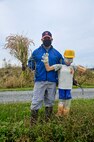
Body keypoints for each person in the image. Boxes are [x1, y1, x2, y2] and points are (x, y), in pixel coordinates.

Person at [28, 31, 64, 124]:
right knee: (36, 101)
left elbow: (63, 65)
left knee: (50, 101)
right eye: (45, 38)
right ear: (42, 39)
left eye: (48, 38)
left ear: (51, 39)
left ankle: (47, 121)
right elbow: (30, 63)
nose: (47, 40)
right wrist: (29, 66)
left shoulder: (57, 54)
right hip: (39, 80)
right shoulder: (36, 52)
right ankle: (33, 122)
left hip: (52, 81)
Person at [42, 50, 86, 117]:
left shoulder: (73, 67)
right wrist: (46, 62)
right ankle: (60, 113)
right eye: (67, 58)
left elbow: (83, 70)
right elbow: (48, 69)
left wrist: (80, 70)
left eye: (71, 59)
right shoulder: (60, 66)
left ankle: (66, 114)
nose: (69, 60)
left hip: (68, 88)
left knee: (68, 100)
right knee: (61, 100)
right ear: (64, 57)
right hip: (61, 87)